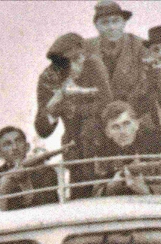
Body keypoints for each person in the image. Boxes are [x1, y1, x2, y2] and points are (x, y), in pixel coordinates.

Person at [35, 32, 113, 198]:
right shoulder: (48, 78)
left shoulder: (94, 65)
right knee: (81, 204)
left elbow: (107, 104)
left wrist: (73, 109)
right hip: (75, 152)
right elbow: (42, 129)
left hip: (106, 147)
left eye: (80, 58)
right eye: (70, 61)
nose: (78, 64)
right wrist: (54, 105)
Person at [84, 0, 152, 124]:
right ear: (96, 25)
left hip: (134, 117)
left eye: (116, 21)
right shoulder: (85, 48)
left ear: (124, 23)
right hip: (96, 118)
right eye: (105, 22)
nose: (111, 27)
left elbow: (148, 88)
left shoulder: (140, 47)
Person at [93, 101, 161, 196]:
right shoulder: (104, 151)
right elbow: (96, 192)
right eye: (115, 127)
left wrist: (145, 190)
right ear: (108, 132)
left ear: (136, 124)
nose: (122, 131)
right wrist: (112, 186)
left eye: (126, 124)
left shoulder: (159, 142)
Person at [0, 126, 59, 212]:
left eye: (18, 141)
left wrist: (26, 183)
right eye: (7, 144)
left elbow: (49, 205)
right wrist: (5, 187)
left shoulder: (44, 170)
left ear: (27, 147)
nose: (14, 147)